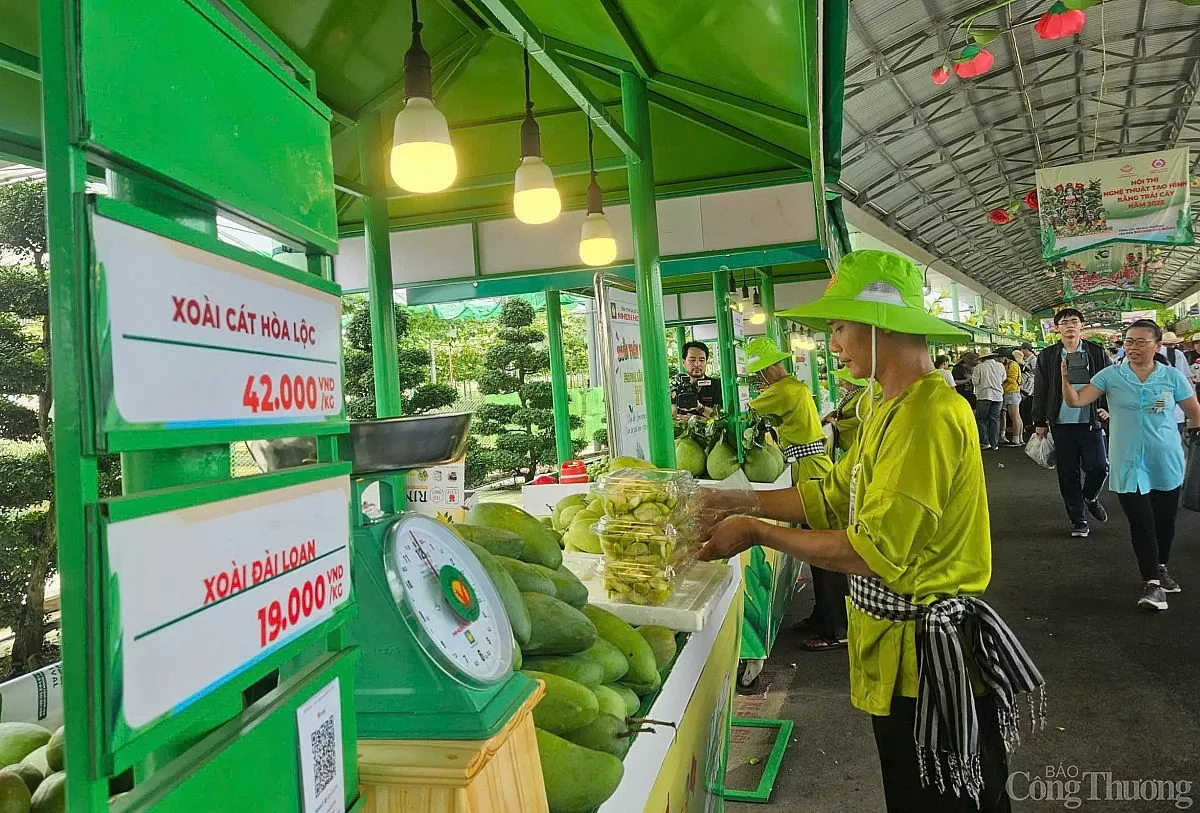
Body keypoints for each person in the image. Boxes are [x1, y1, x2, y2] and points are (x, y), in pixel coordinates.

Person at [697, 250, 1043, 812]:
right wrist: (727, 498)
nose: (831, 344)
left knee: (946, 800)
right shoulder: (886, 404)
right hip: (898, 654)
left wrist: (758, 531)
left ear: (880, 325)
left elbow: (873, 552)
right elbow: (835, 495)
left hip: (930, 663)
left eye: (837, 327)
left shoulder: (928, 415)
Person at [1060, 320, 1200, 611]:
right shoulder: (1111, 375)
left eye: (1140, 342)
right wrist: (1065, 379)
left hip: (1165, 460)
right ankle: (1152, 583)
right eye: (1128, 342)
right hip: (1127, 461)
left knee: (1165, 522)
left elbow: (1194, 412)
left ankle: (1160, 566)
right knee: (1141, 522)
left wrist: (1195, 438)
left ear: (1157, 346)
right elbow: (1076, 401)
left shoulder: (1172, 377)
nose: (1132, 347)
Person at [745, 337, 845, 652]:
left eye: (759, 373)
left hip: (809, 469)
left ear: (767, 370)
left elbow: (742, 412)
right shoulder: (795, 387)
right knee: (816, 552)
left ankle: (837, 629)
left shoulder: (782, 390)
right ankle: (822, 617)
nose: (759, 379)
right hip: (812, 464)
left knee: (824, 552)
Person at [1032, 308, 1111, 538]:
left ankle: (1090, 497)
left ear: (1081, 326)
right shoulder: (1047, 356)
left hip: (1090, 420)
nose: (1069, 325)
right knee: (1068, 472)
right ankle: (1078, 519)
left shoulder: (1096, 352)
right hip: (1060, 422)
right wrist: (1039, 420)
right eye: (1064, 322)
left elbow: (1109, 381)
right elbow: (1041, 389)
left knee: (1098, 467)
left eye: (1074, 321)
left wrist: (1106, 406)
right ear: (1057, 328)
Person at [671, 340, 722, 418]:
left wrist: (699, 407)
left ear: (706, 362)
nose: (697, 364)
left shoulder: (717, 385)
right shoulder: (676, 386)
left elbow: (721, 417)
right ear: (683, 362)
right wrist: (673, 403)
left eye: (701, 360)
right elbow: (670, 417)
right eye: (692, 360)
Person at [1159, 331, 1192, 434]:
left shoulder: (1146, 355)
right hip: (1175, 408)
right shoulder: (1177, 354)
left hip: (1156, 407)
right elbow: (1186, 381)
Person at [971, 352, 1005, 450]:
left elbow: (975, 381)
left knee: (981, 419)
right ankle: (995, 443)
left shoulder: (979, 367)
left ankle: (985, 442)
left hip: (984, 395)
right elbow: (1003, 379)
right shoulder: (1000, 366)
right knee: (995, 419)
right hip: (998, 396)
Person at [1002, 349, 1024, 445]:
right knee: (1017, 416)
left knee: (1014, 416)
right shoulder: (1012, 364)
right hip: (1012, 392)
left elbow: (1012, 379)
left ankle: (1016, 438)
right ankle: (1019, 438)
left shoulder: (1013, 365)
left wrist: (1002, 376)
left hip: (1012, 392)